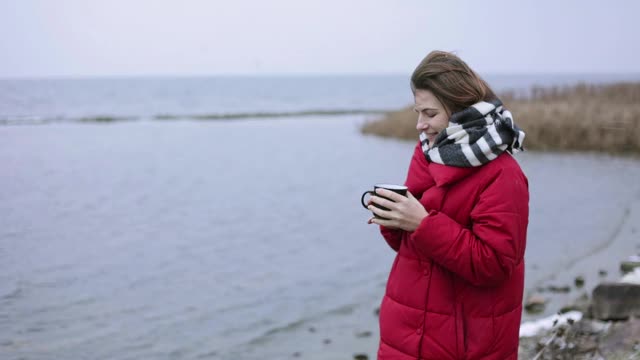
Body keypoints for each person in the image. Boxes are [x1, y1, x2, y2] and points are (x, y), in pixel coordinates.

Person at [366, 50, 529, 360]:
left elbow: (494, 265)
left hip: (466, 346)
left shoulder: (504, 174)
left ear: (458, 109)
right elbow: (410, 249)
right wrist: (392, 219)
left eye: (429, 114)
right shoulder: (428, 153)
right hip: (404, 335)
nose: (419, 125)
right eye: (418, 112)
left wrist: (422, 223)